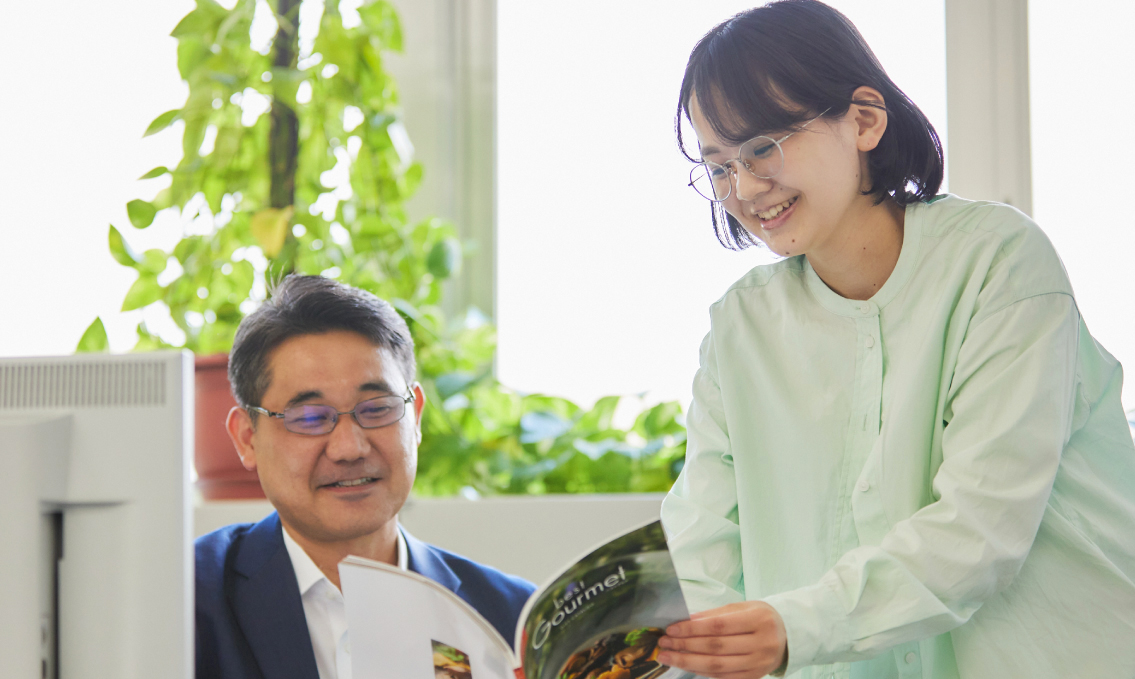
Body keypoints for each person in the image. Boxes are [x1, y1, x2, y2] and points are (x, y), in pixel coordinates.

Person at [654, 2, 1135, 678]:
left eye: (761, 147)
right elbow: (701, 545)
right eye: (719, 167)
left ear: (863, 120)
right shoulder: (740, 327)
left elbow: (979, 528)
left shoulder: (998, 261)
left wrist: (793, 627)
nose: (745, 188)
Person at [195, 275, 535, 679]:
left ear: (415, 417)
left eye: (376, 409)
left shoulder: (514, 620)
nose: (349, 448)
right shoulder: (186, 599)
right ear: (247, 439)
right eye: (310, 418)